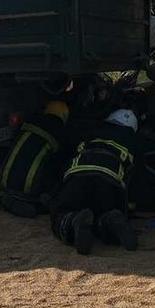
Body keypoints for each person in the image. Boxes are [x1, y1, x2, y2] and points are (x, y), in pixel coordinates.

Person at [50, 109, 140, 255]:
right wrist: (129, 209)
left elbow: (65, 155)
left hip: (77, 177)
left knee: (60, 214)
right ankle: (109, 221)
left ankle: (73, 221)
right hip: (108, 181)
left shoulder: (90, 131)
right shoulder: (133, 141)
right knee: (104, 212)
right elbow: (137, 178)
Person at [0, 100, 70, 218]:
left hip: (3, 183)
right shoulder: (60, 133)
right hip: (28, 190)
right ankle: (29, 202)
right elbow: (59, 164)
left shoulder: (30, 121)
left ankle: (8, 197)